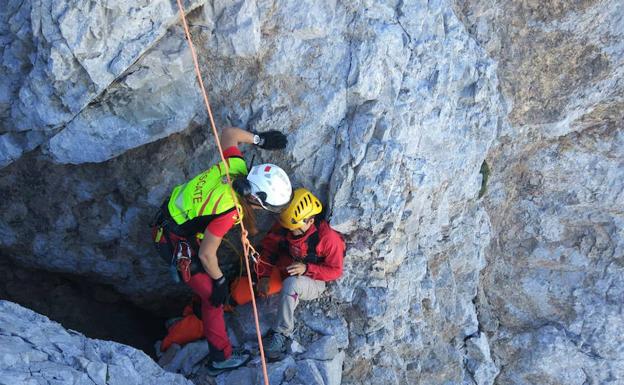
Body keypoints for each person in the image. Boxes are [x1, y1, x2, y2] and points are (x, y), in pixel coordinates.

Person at [155, 127, 292, 373]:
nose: (263, 212)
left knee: (209, 289)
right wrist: (218, 282)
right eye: (265, 207)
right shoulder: (229, 210)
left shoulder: (236, 167)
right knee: (212, 299)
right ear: (255, 199)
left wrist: (260, 140)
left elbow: (229, 134)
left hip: (174, 220)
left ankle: (195, 314)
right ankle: (220, 358)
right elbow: (207, 254)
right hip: (174, 240)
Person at [255, 188, 345, 359]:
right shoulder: (288, 224)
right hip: (287, 266)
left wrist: (307, 269)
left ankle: (282, 333)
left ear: (310, 220)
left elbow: (335, 271)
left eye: (295, 229)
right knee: (252, 288)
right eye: (289, 228)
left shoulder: (327, 238)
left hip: (314, 279)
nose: (292, 232)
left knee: (291, 285)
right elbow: (268, 248)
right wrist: (264, 276)